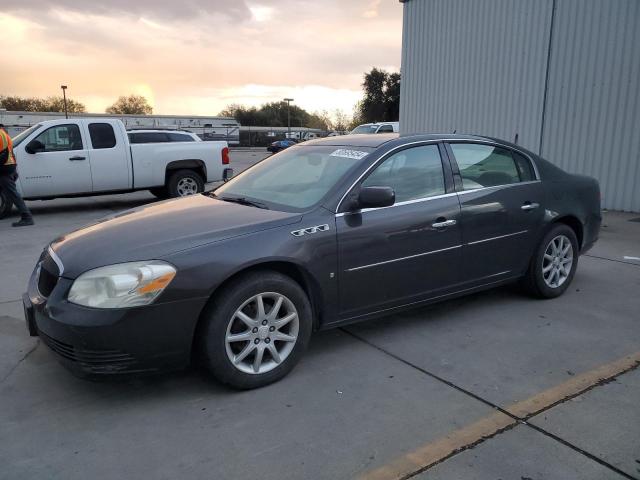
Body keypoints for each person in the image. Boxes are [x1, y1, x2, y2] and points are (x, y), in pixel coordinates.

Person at [0, 124, 34, 227]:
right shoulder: (3, 132)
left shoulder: (1, 134)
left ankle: (27, 217)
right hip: (7, 165)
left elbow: (3, 153)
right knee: (11, 192)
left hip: (4, 167)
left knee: (12, 193)